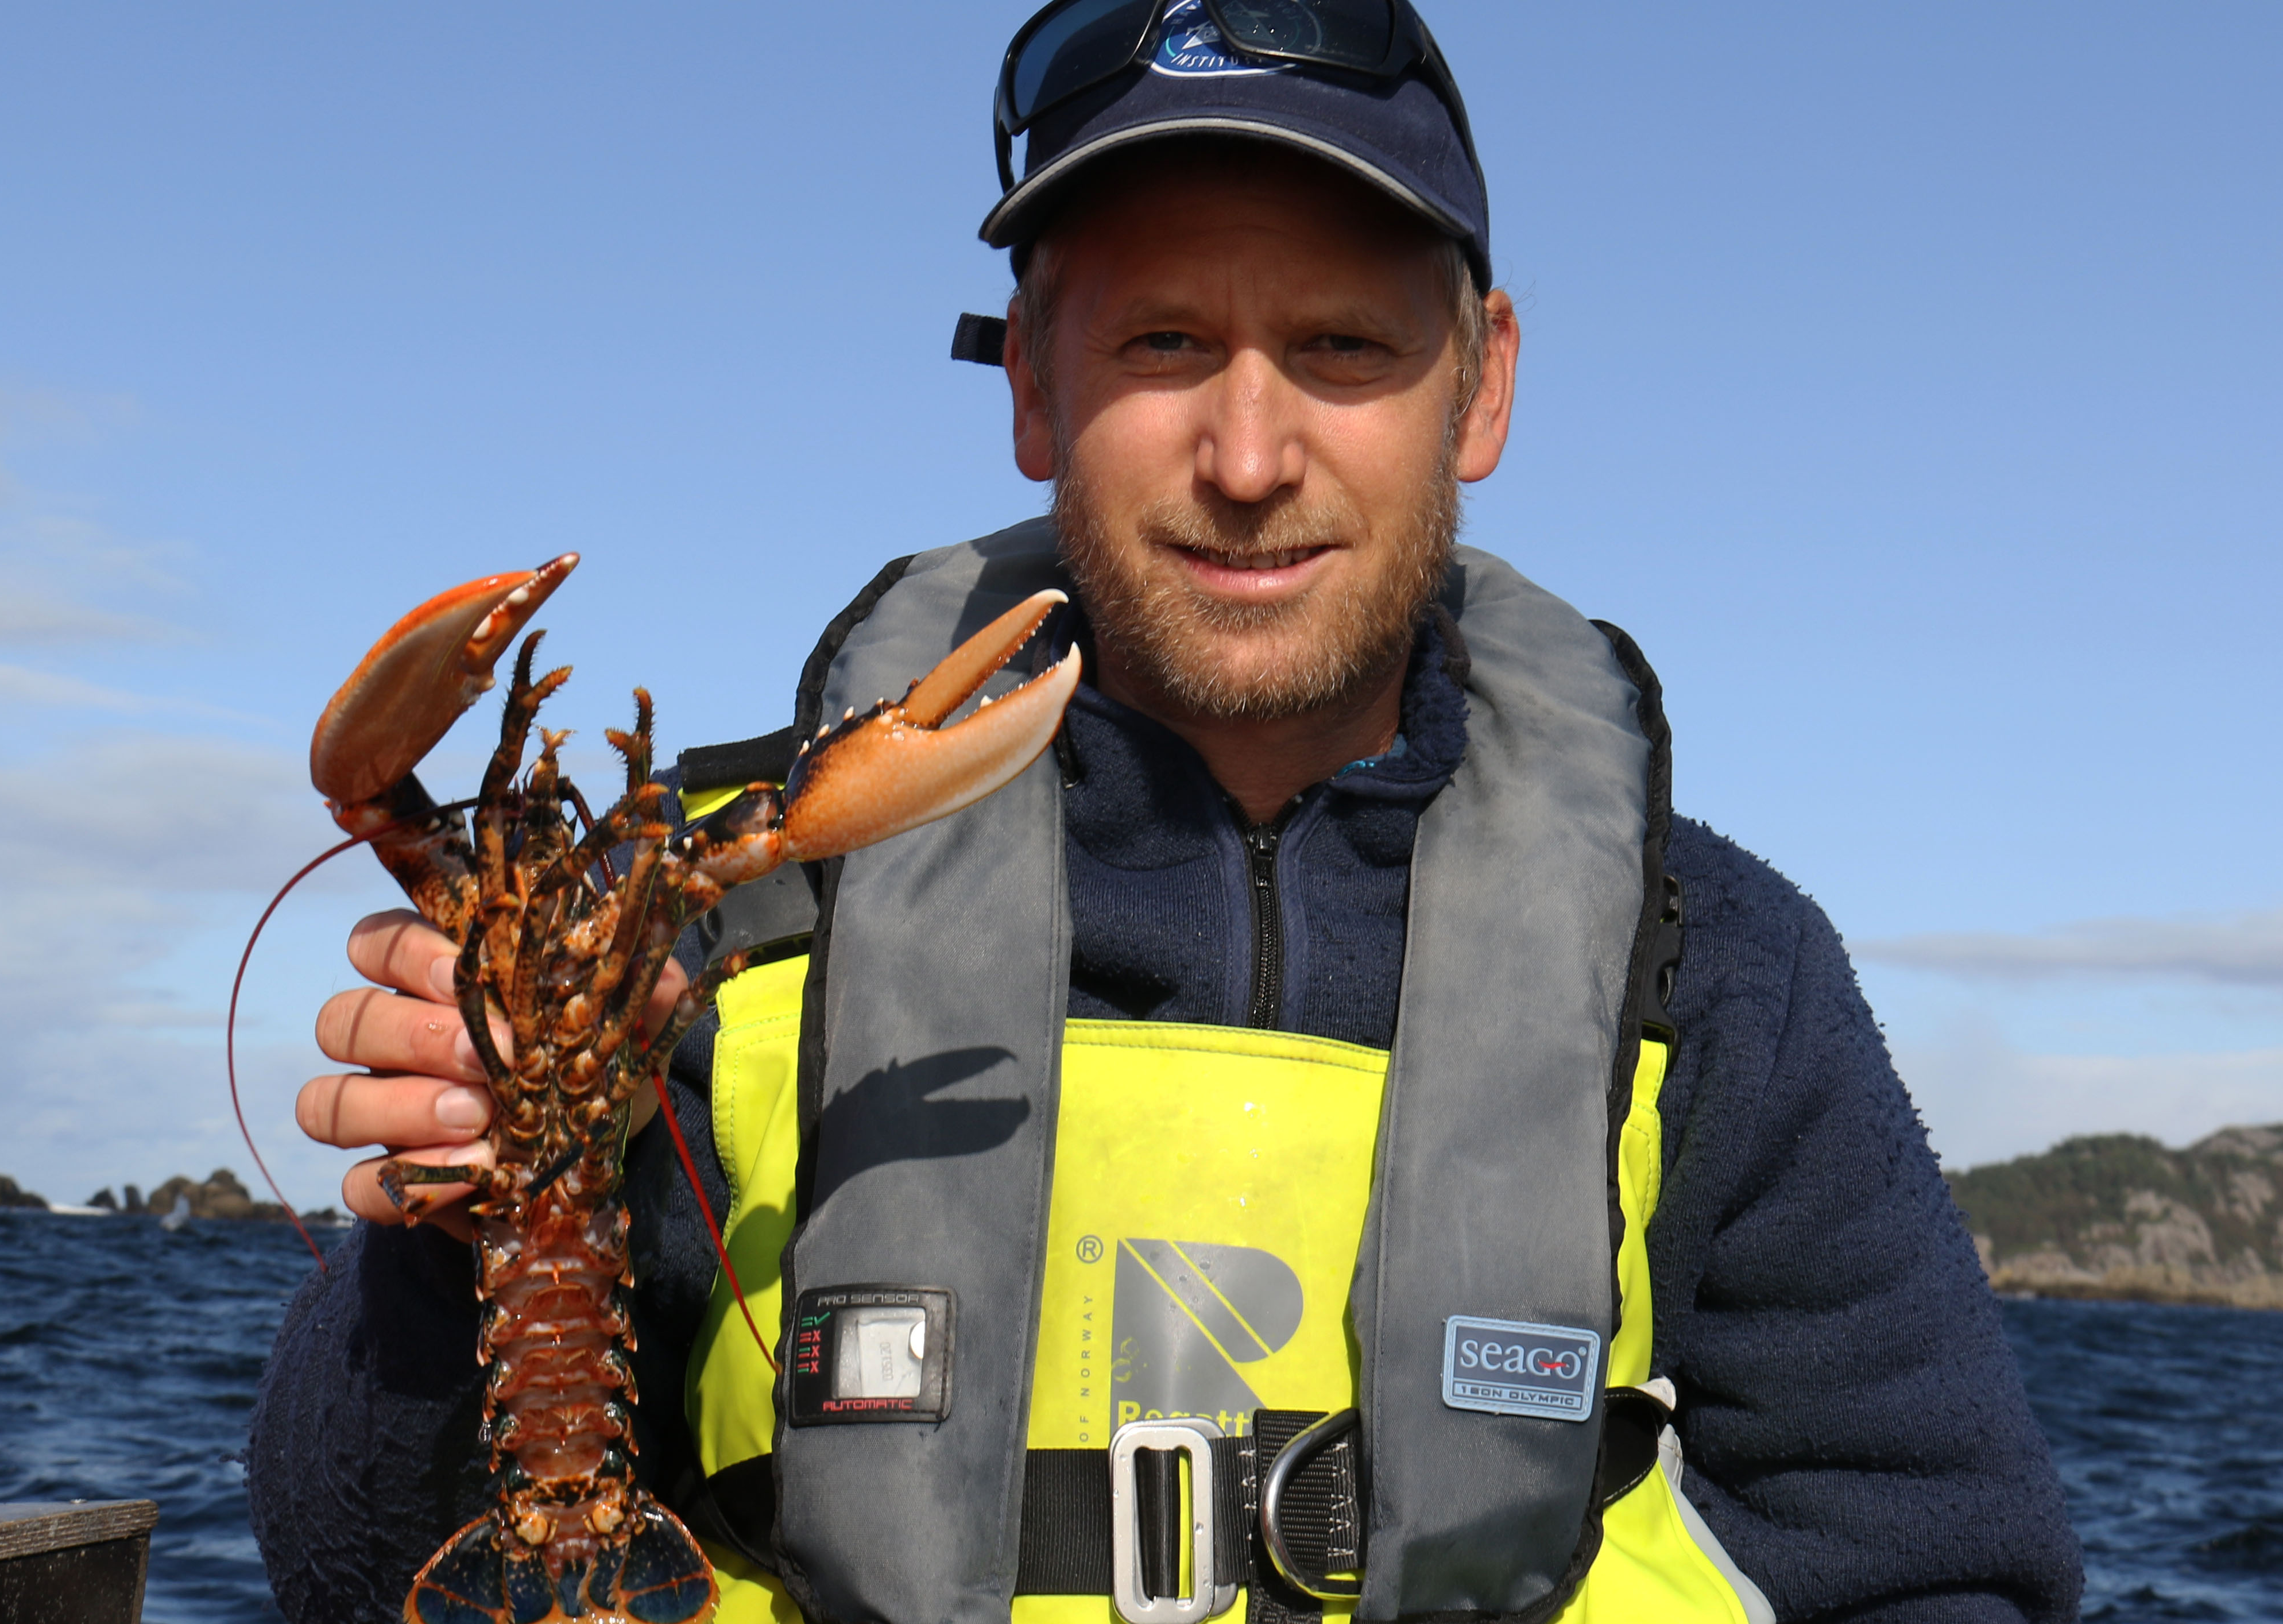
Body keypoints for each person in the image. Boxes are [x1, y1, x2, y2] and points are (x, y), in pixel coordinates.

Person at [250, 4, 2082, 1620]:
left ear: (1484, 384)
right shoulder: (695, 912)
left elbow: (1939, 1561)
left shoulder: (1717, 968)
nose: (1249, 454)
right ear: (1035, 387)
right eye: (1162, 345)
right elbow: (352, 1564)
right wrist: (451, 1230)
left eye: (1347, 348)